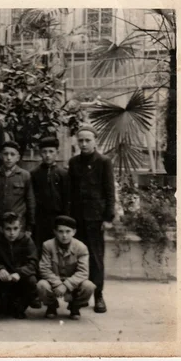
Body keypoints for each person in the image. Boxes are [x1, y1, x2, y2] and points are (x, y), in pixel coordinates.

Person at [68, 125, 115, 314]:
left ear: (95, 141)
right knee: (77, 258)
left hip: (95, 218)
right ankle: (81, 296)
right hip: (77, 219)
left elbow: (109, 191)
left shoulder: (104, 162)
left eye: (88, 140)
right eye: (81, 140)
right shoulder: (73, 162)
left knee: (95, 258)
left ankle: (99, 296)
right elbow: (71, 192)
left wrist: (107, 218)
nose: (84, 143)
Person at [37, 215, 96, 320]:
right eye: (60, 231)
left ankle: (75, 306)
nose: (64, 235)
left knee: (89, 286)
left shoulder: (81, 247)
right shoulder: (48, 245)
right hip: (55, 281)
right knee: (41, 285)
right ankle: (52, 305)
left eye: (68, 231)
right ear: (55, 232)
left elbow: (83, 272)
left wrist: (67, 286)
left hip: (73, 283)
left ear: (74, 232)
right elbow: (44, 269)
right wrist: (59, 284)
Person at [0, 212, 38, 319]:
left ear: (20, 228)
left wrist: (20, 273)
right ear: (1, 229)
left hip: (20, 278)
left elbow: (33, 263)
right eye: (8, 229)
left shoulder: (27, 241)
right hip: (5, 278)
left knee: (32, 281)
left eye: (15, 228)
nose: (12, 233)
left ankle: (20, 307)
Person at [0, 141, 35, 239]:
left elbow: (30, 202)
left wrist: (30, 226)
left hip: (18, 223)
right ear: (0, 155)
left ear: (18, 157)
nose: (9, 158)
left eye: (12, 154)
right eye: (6, 154)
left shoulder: (25, 176)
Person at [31, 136, 70, 251]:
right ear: (40, 153)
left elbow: (67, 197)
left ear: (57, 153)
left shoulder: (63, 174)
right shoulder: (34, 174)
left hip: (57, 216)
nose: (47, 155)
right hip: (39, 217)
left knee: (56, 247)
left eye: (51, 152)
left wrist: (65, 219)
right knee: (39, 245)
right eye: (44, 152)